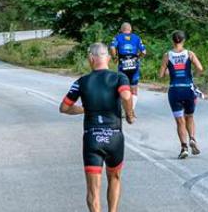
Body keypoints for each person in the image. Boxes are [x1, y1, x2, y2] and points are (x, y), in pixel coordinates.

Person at [60, 43, 136, 212]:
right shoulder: (119, 78)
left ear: (90, 59)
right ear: (108, 58)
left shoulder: (81, 81)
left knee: (93, 191)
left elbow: (64, 108)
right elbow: (125, 95)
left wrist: (84, 109)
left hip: (92, 137)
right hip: (114, 136)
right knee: (114, 178)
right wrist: (129, 114)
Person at [159, 31, 204, 159]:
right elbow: (200, 68)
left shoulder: (167, 55)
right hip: (188, 89)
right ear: (183, 40)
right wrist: (192, 75)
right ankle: (193, 139)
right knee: (189, 116)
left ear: (173, 41)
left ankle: (184, 147)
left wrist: (168, 70)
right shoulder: (190, 54)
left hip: (174, 91)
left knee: (180, 121)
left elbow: (161, 75)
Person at [109, 23, 147, 110]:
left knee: (122, 87)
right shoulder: (136, 37)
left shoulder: (118, 37)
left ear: (121, 29)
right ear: (130, 29)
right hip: (134, 66)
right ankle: (131, 110)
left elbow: (112, 48)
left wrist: (115, 57)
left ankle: (123, 110)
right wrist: (138, 57)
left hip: (122, 65)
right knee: (134, 88)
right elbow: (144, 51)